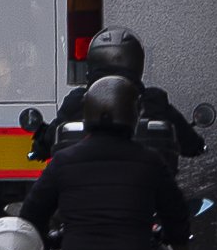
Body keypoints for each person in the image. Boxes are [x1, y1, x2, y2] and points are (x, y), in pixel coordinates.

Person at [16, 77, 201, 250]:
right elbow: (177, 221)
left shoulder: (64, 162)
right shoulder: (150, 161)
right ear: (133, 116)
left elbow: (31, 218)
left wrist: (44, 240)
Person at [64, 26, 206, 166]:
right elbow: (190, 144)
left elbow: (47, 143)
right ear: (136, 62)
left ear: (93, 61)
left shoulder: (76, 101)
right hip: (145, 186)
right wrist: (197, 146)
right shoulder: (153, 100)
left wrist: (42, 139)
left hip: (83, 186)